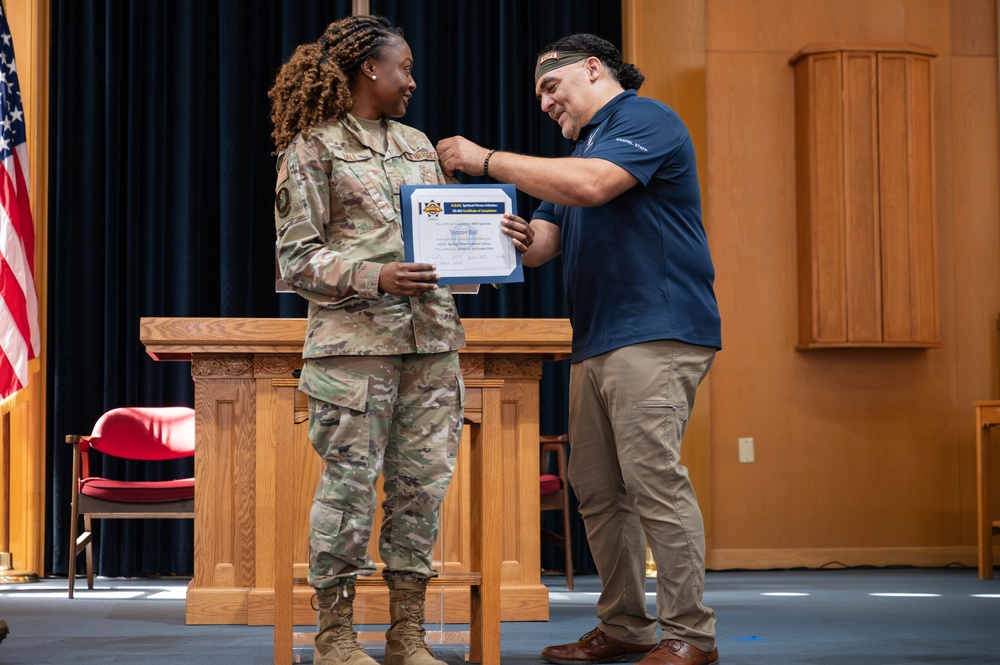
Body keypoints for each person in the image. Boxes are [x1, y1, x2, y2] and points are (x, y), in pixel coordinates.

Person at [437, 33, 722, 665]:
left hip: (656, 331)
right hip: (595, 338)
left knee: (654, 483)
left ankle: (691, 636)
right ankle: (625, 625)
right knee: (595, 486)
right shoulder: (582, 151)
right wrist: (500, 235)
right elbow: (540, 243)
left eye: (550, 87)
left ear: (593, 69)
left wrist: (485, 161)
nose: (544, 104)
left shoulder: (644, 120)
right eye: (538, 94)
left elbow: (592, 187)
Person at [269, 15, 465, 665]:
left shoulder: (418, 146)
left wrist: (492, 246)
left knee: (421, 490)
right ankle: (335, 635)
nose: (412, 80)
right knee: (348, 488)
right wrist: (372, 275)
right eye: (403, 67)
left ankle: (407, 633)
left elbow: (444, 240)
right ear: (369, 70)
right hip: (353, 348)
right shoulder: (312, 148)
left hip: (431, 341)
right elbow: (295, 261)